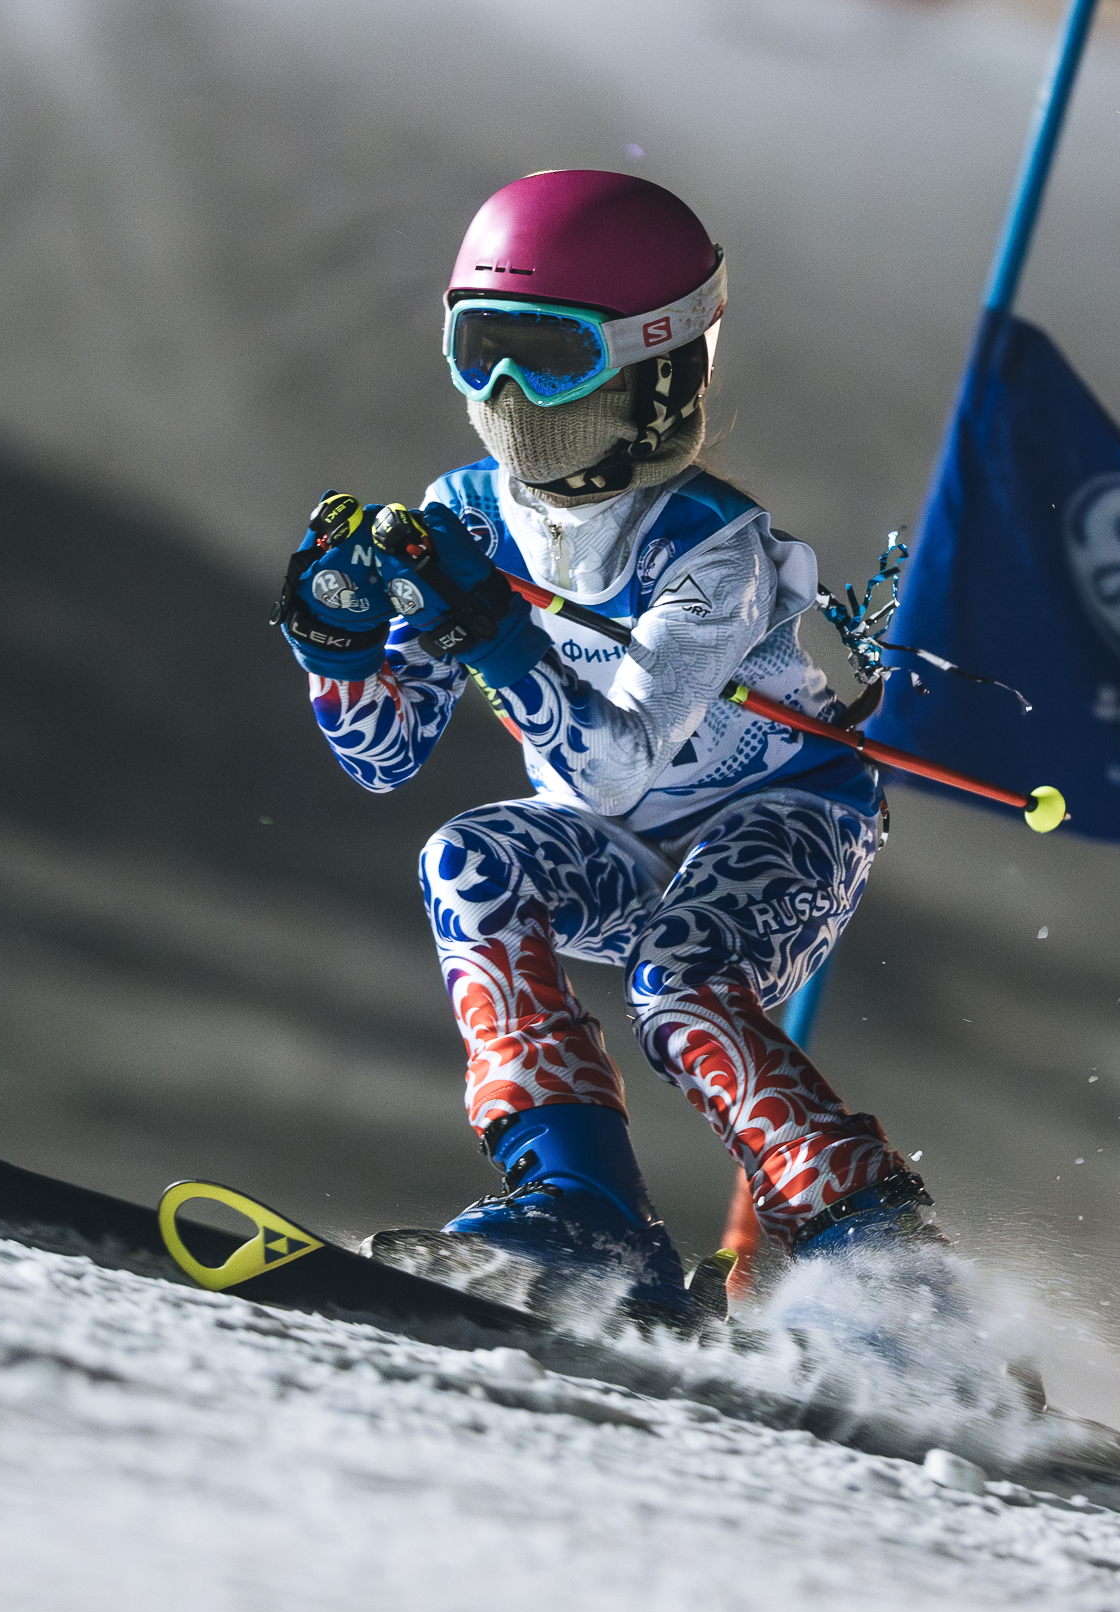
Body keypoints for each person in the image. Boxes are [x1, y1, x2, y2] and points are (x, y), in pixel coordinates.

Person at [274, 169, 932, 1319]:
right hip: (615, 837)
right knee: (465, 866)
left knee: (683, 983)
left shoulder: (708, 551)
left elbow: (612, 761)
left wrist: (492, 633)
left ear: (661, 368)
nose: (511, 393)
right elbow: (383, 755)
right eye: (479, 349)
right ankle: (583, 1208)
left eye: (555, 357)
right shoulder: (465, 513)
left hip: (783, 814)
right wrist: (335, 648)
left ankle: (875, 1264)